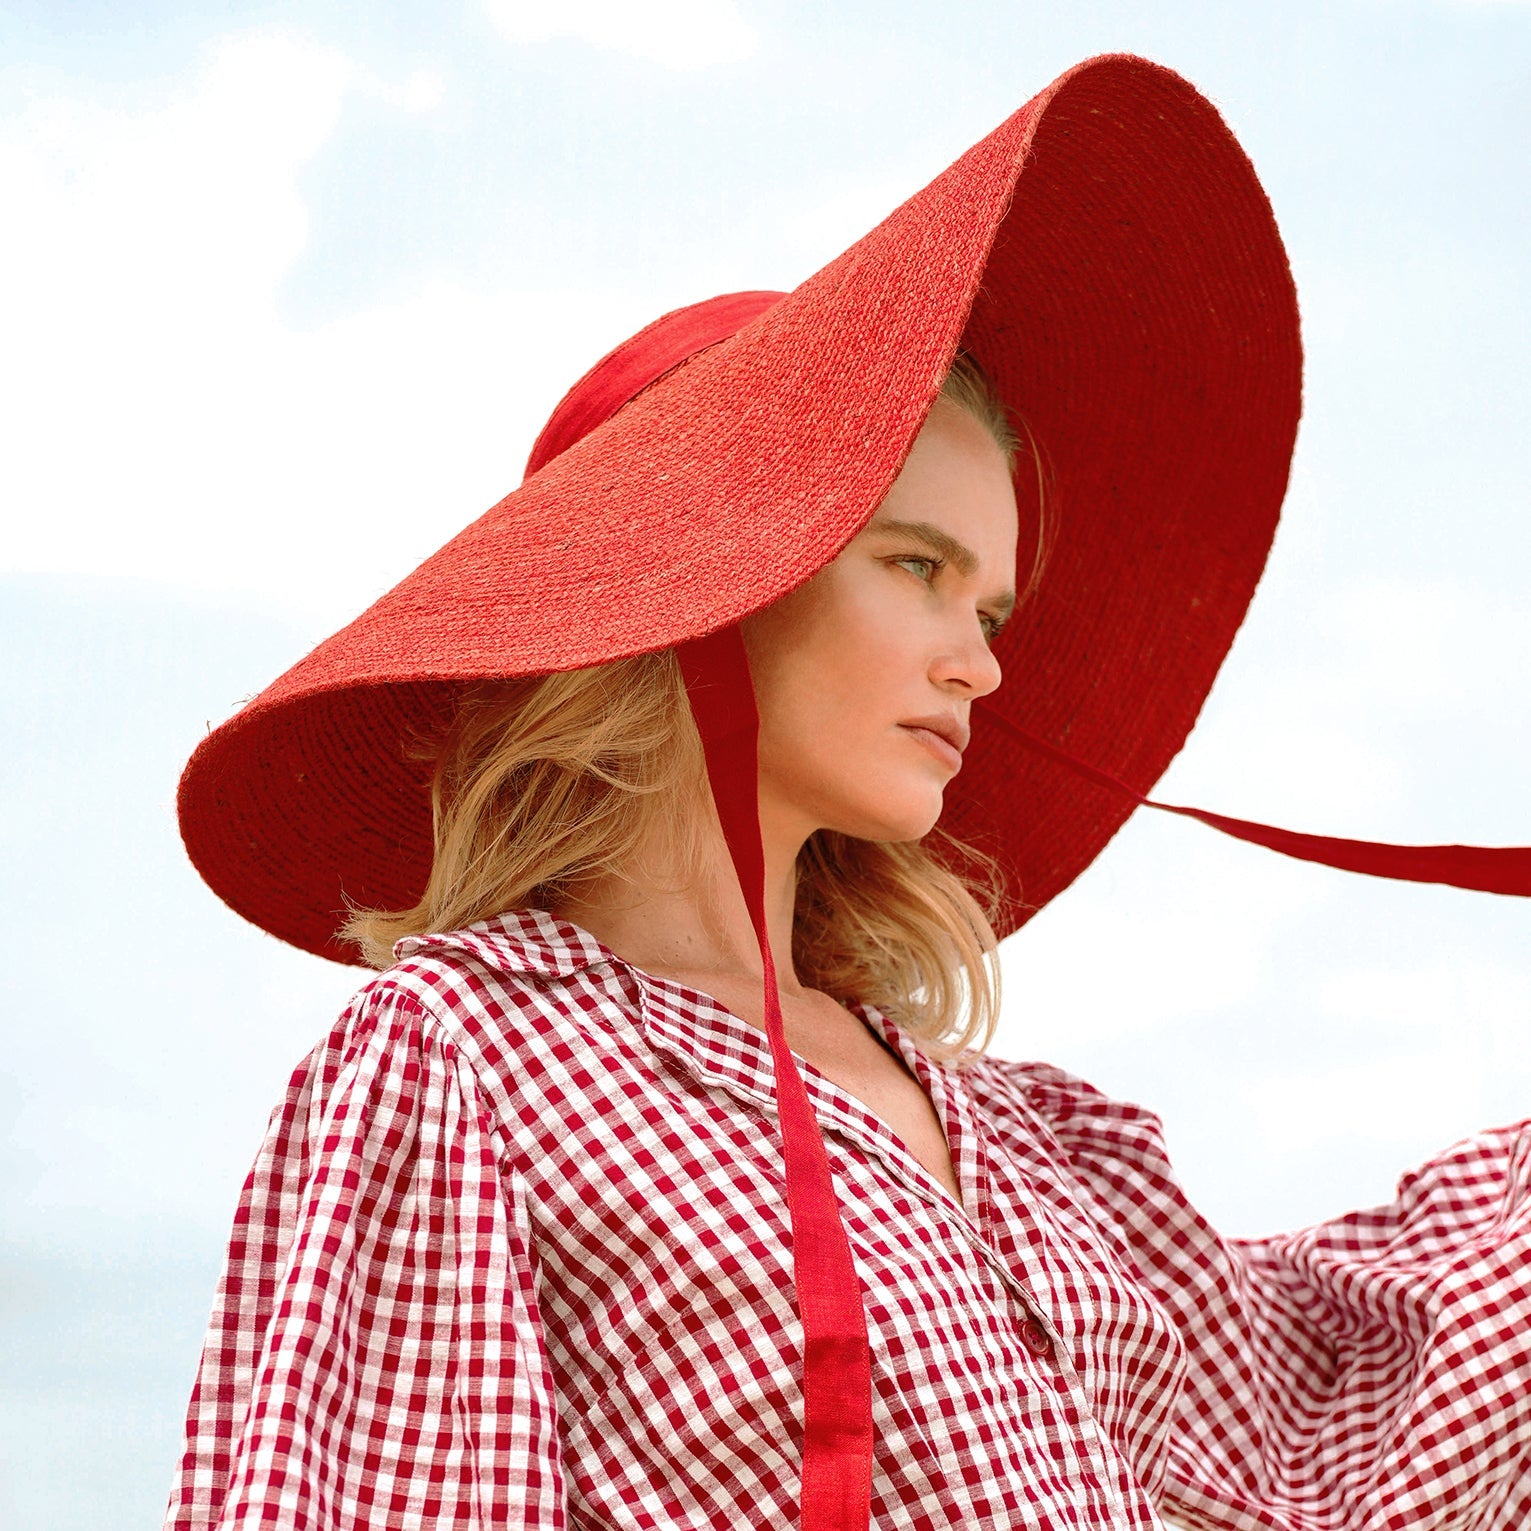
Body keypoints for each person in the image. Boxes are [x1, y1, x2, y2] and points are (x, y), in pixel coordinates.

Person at [165, 54, 1531, 1531]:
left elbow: (1371, 1393)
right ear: (711, 584)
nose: (981, 670)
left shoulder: (1042, 1147)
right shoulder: (470, 1066)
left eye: (992, 611)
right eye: (918, 568)